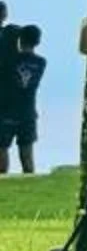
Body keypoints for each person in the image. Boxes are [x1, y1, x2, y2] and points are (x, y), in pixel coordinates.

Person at [1, 25, 40, 173]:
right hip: (28, 112)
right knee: (27, 153)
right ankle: (31, 181)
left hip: (6, 111)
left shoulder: (7, 62)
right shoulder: (40, 62)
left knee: (2, 149)